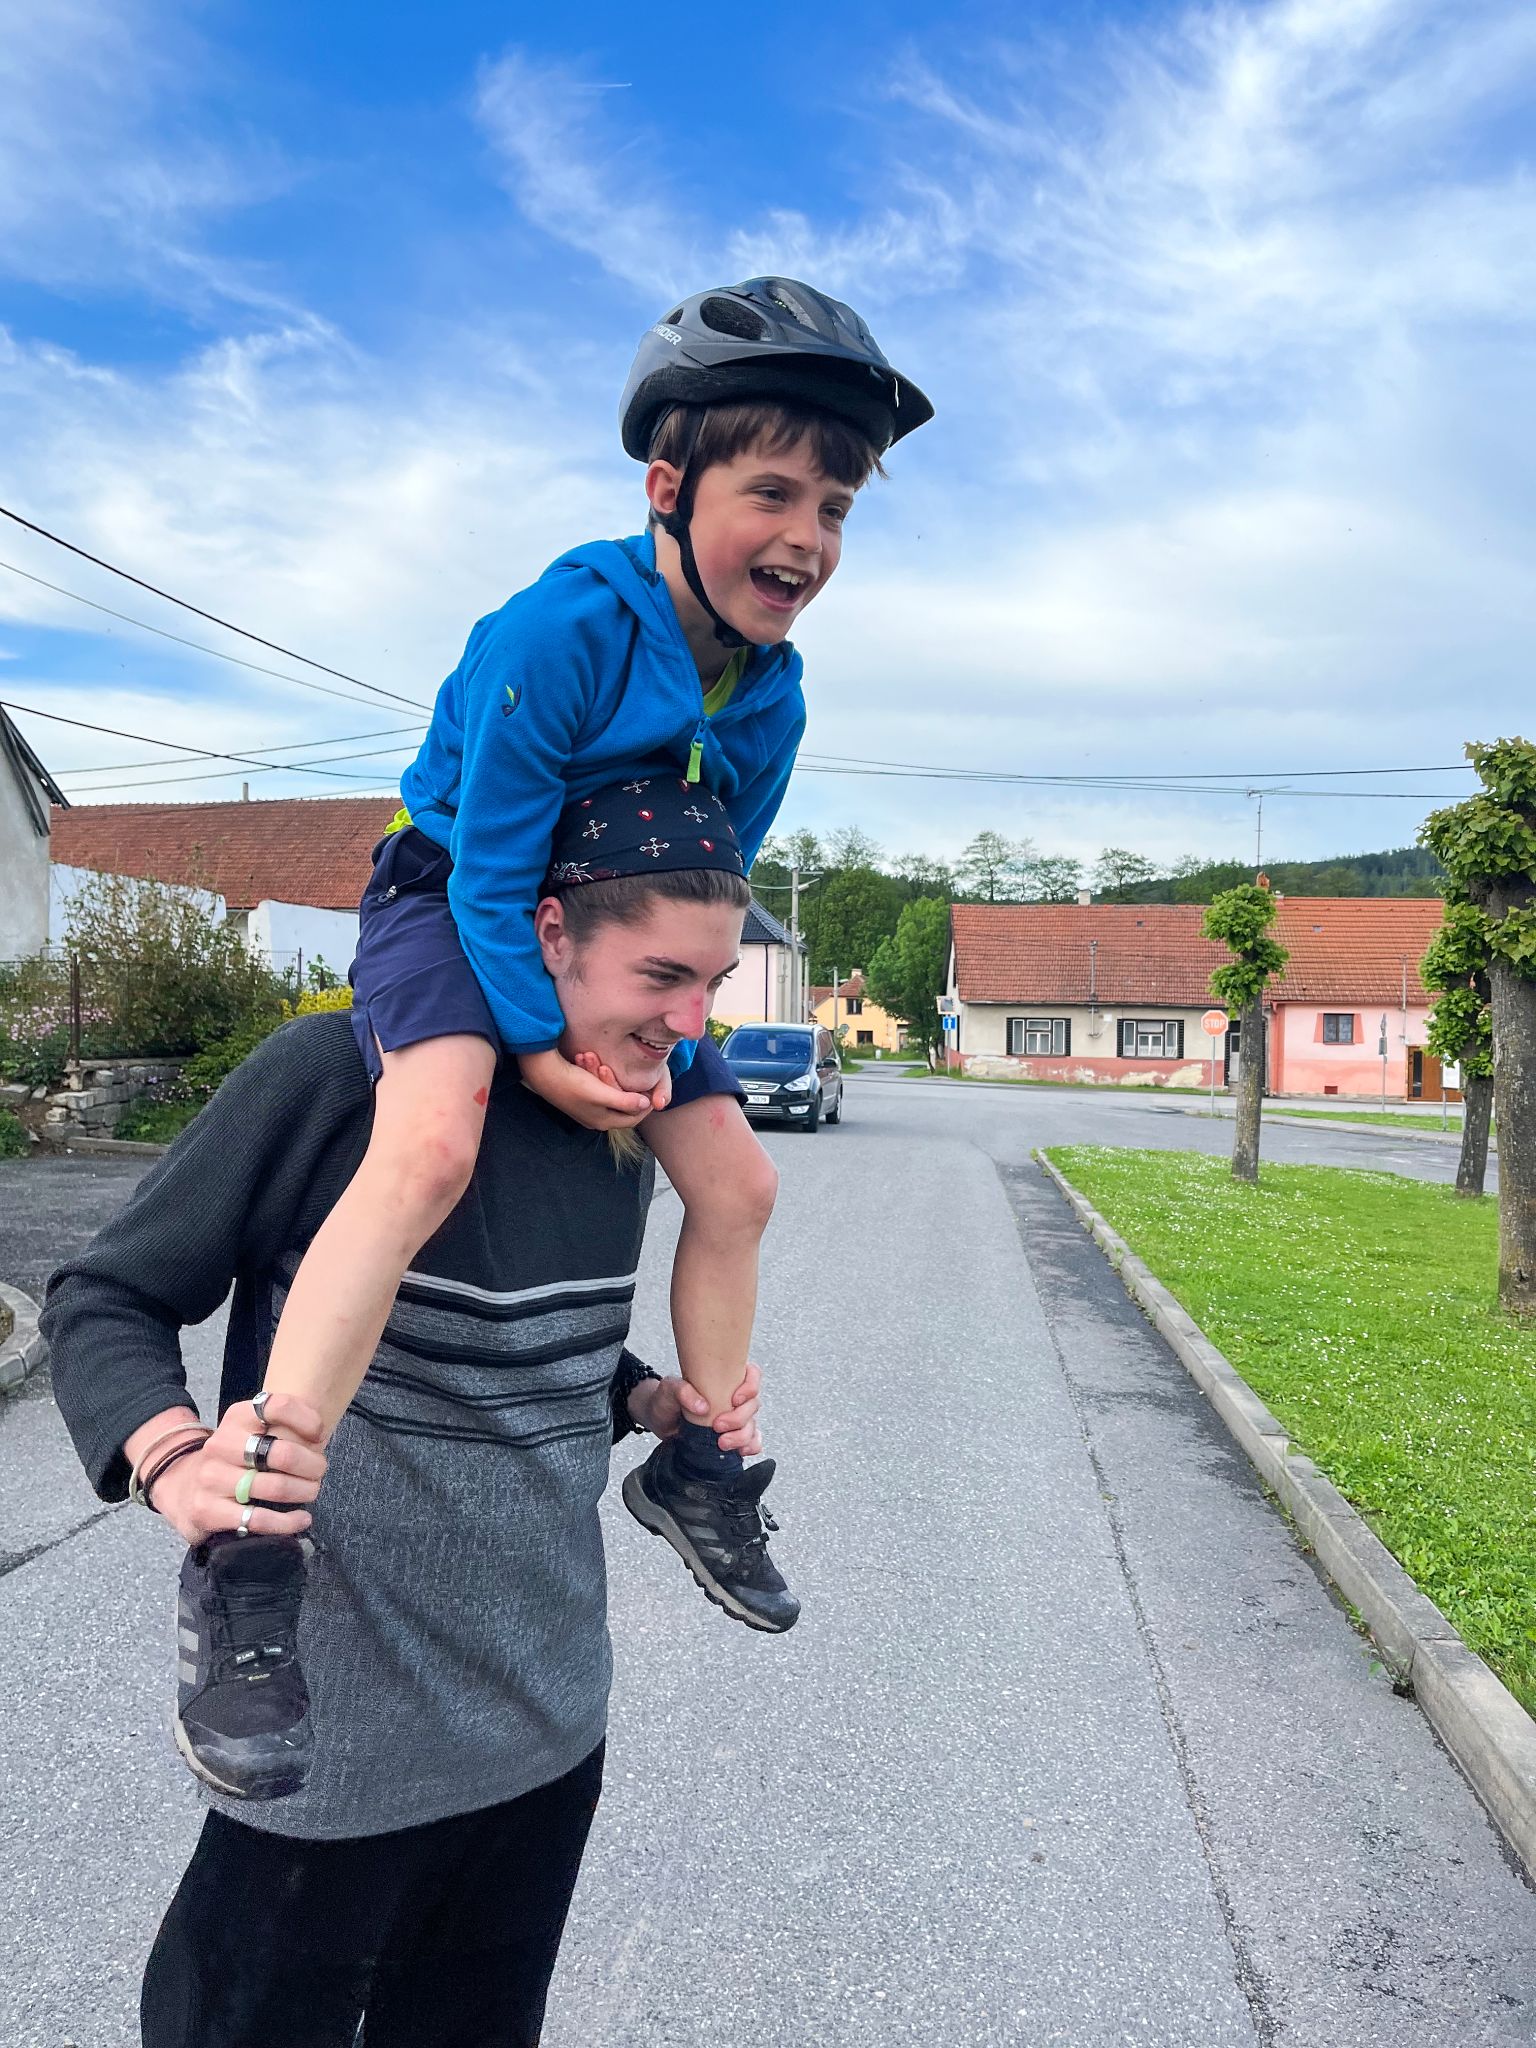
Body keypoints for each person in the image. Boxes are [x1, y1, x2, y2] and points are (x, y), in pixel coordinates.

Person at [203, 277, 932, 1792]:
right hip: (453, 893)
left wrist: (652, 1032)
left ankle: (702, 1465)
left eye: (837, 508)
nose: (808, 538)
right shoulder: (563, 629)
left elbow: (710, 878)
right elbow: (489, 875)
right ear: (668, 489)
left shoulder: (776, 698)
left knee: (741, 1184)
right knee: (427, 1151)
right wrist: (541, 1049)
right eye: (773, 493)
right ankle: (252, 1551)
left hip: (605, 931)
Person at [42, 797, 772, 2048]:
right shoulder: (340, 1078)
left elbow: (522, 1341)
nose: (689, 1025)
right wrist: (168, 1457)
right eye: (661, 976)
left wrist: (644, 1396)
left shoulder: (631, 1119)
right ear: (550, 933)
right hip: (324, 1758)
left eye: (713, 984)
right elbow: (104, 1295)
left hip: (547, 1739)